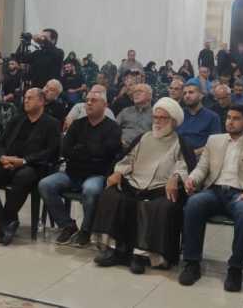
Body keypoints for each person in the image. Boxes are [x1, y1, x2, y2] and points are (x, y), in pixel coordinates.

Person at [92, 97, 193, 273]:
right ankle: (116, 250)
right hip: (134, 183)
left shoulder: (179, 142)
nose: (158, 121)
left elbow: (184, 166)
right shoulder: (144, 137)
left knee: (159, 207)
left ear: (173, 121)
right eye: (156, 117)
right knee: (111, 195)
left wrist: (175, 177)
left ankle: (141, 256)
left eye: (163, 118)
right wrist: (118, 172)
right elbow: (128, 159)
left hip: (160, 189)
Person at [179, 104, 243, 292]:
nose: (230, 122)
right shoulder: (214, 140)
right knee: (194, 203)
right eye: (228, 117)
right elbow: (202, 167)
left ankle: (235, 268)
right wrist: (192, 179)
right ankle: (192, 263)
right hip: (214, 190)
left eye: (236, 118)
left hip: (239, 193)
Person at [0, 87, 61, 246]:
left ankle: (6, 222)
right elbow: (0, 143)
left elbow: (51, 152)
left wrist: (23, 161)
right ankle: (5, 220)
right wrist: (2, 157)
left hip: (32, 166)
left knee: (23, 177)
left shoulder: (52, 124)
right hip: (7, 162)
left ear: (41, 101)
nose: (25, 101)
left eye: (30, 98)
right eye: (25, 98)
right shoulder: (17, 120)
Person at [39, 88, 122, 247]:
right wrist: (91, 152)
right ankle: (67, 225)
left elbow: (107, 152)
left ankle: (85, 230)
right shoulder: (78, 124)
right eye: (87, 100)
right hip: (72, 173)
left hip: (97, 174)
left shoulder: (113, 128)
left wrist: (81, 149)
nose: (88, 103)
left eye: (93, 101)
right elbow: (65, 149)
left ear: (104, 105)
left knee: (90, 190)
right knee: (45, 184)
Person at [176, 84, 222, 157]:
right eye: (184, 93)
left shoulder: (212, 117)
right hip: (178, 155)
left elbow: (215, 143)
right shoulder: (179, 115)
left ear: (201, 96)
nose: (187, 96)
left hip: (201, 156)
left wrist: (193, 154)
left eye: (191, 92)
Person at [115, 83, 153, 149]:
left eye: (140, 91)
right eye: (135, 92)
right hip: (121, 146)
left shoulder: (155, 114)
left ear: (149, 96)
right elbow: (114, 128)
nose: (136, 94)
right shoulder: (125, 111)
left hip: (144, 148)